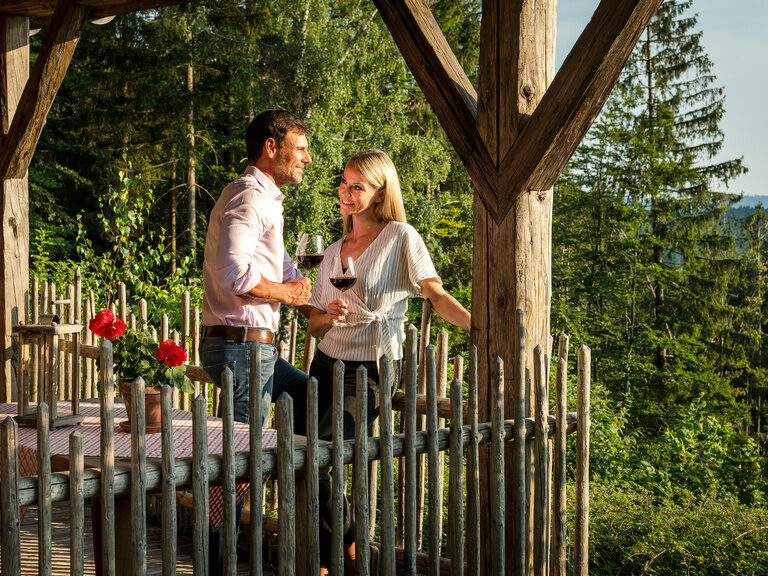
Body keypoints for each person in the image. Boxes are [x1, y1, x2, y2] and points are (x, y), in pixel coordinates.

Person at [306, 149, 471, 575]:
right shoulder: (332, 250)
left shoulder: (400, 236)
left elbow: (434, 294)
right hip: (325, 364)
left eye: (357, 186)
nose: (345, 191)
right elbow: (313, 325)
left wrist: (477, 326)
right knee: (306, 457)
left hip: (371, 367)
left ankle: (340, 558)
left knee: (325, 455)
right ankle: (346, 551)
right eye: (343, 182)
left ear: (380, 194)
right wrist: (328, 316)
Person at [200, 109, 313, 575]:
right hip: (243, 348)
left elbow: (284, 267)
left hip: (250, 349)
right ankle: (216, 565)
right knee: (238, 469)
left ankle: (314, 512)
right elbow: (236, 275)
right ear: (272, 147)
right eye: (300, 148)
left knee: (310, 396)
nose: (307, 157)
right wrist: (287, 293)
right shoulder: (250, 197)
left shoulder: (261, 199)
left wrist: (315, 301)